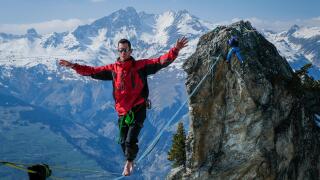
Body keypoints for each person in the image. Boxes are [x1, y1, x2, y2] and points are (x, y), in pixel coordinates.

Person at [59, 37, 188, 176]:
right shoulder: (113, 70)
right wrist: (73, 66)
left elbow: (160, 61)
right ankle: (130, 159)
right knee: (122, 140)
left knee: (130, 140)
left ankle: (129, 162)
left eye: (126, 50)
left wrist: (175, 50)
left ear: (130, 50)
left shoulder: (141, 66)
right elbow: (92, 71)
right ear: (118, 51)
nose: (123, 52)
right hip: (122, 112)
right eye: (121, 50)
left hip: (138, 108)